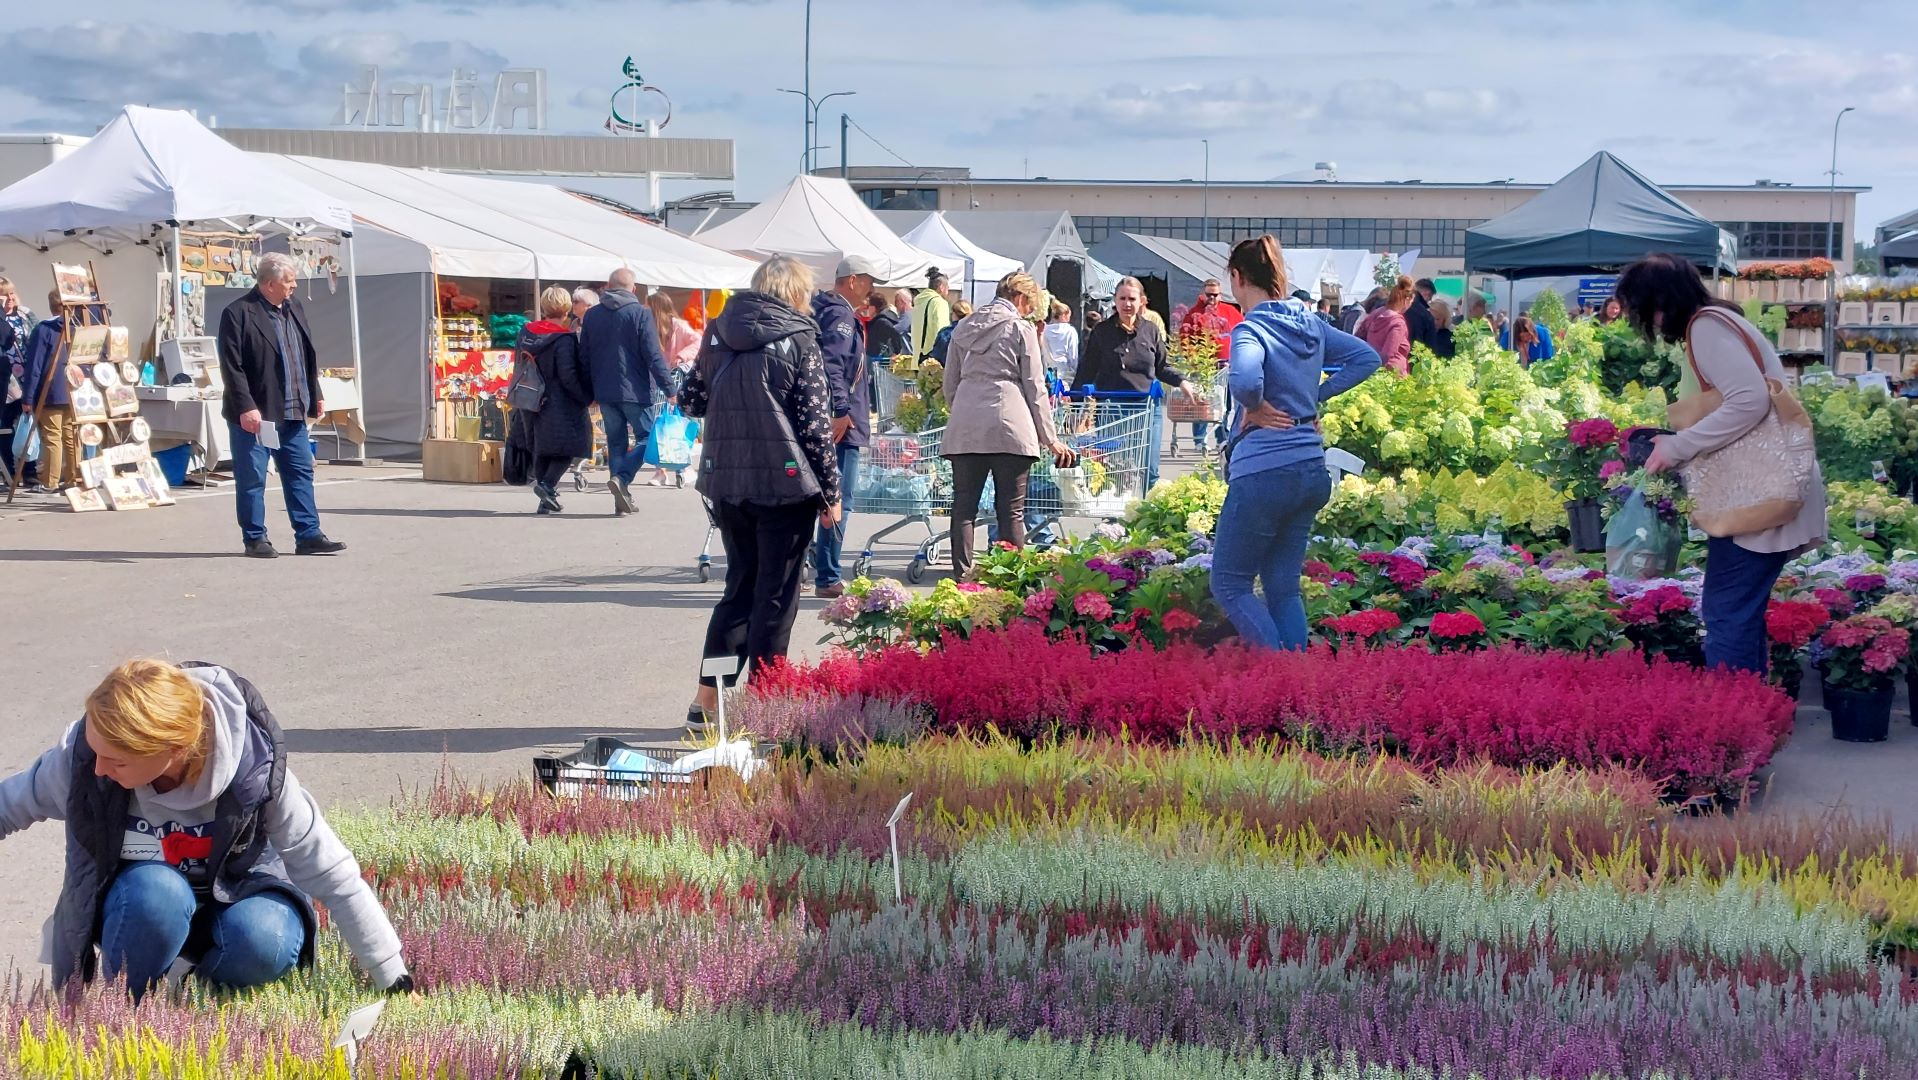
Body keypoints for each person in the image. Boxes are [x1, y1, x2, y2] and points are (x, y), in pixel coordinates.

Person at [0, 658, 412, 1000]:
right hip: (143, 911)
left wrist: (392, 976)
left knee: (265, 940)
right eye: (96, 752)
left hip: (239, 901)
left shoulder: (256, 772)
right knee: (157, 892)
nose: (99, 770)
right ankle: (128, 1003)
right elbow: (8, 805)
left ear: (173, 751)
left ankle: (194, 993)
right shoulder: (88, 759)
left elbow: (331, 872)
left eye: (117, 761)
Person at [1628, 253, 1828, 676]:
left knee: (1727, 613)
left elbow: (1749, 400)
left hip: (1754, 497)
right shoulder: (1718, 322)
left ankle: (1734, 725)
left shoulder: (1706, 328)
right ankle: (1753, 714)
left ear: (1659, 303)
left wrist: (1680, 445)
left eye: (1644, 309)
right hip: (1760, 492)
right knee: (1738, 612)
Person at [679, 255, 841, 731]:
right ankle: (766, 704)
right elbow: (814, 424)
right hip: (784, 484)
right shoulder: (800, 337)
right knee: (775, 597)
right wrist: (831, 492)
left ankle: (707, 701)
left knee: (739, 589)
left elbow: (690, 400)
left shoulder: (717, 332)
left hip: (727, 481)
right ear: (796, 293)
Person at [1212, 236, 1382, 650]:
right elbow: (1367, 358)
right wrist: (1313, 400)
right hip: (1309, 469)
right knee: (1282, 588)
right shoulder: (1311, 324)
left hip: (1263, 473)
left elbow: (1245, 380)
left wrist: (1253, 405)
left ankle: (1283, 677)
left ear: (1237, 278)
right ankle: (1302, 690)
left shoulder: (1250, 328)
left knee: (1230, 585)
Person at [942, 272, 1078, 582]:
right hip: (1010, 425)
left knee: (964, 507)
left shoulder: (964, 327)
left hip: (966, 425)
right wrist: (1050, 438)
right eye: (1030, 304)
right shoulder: (1021, 328)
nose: (1030, 311)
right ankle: (1011, 580)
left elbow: (950, 383)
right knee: (1011, 509)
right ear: (1020, 298)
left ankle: (962, 577)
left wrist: (963, 409)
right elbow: (1034, 386)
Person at [216, 254, 345, 558]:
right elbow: (231, 367)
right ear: (270, 283)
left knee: (300, 472)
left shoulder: (294, 308)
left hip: (294, 410)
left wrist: (315, 392)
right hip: (257, 413)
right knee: (253, 478)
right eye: (289, 281)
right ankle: (255, 538)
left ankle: (309, 534)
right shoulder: (238, 313)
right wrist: (246, 406)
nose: (294, 286)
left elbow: (306, 355)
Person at [580, 268, 675, 515]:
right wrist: (670, 388)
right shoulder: (641, 314)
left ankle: (620, 501)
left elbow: (584, 357)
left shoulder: (592, 315)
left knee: (616, 442)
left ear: (607, 287)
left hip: (604, 390)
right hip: (636, 390)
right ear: (633, 290)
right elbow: (653, 355)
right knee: (647, 437)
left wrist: (588, 391)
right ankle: (622, 479)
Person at [810, 256, 876, 599]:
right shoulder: (839, 314)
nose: (872, 288)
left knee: (817, 496)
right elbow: (832, 363)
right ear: (852, 280)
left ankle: (816, 567)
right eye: (868, 281)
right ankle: (828, 574)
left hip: (824, 416)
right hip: (841, 422)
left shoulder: (822, 309)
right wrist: (840, 409)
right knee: (838, 499)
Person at [509, 287, 594, 514]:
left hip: (529, 398)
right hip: (559, 402)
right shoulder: (563, 338)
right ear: (567, 310)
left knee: (539, 447)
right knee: (569, 446)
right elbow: (568, 375)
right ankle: (546, 486)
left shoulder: (525, 333)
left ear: (544, 307)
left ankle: (544, 497)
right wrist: (585, 397)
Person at [643, 292, 702, 488]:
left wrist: (682, 355)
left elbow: (698, 341)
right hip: (659, 378)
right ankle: (662, 471)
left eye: (648, 306)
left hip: (676, 378)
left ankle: (683, 467)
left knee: (677, 422)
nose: (644, 309)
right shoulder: (650, 328)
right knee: (659, 423)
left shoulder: (679, 326)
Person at [1176, 279, 1242, 455]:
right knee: (1202, 404)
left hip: (1225, 368)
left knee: (1223, 405)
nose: (1212, 298)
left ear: (1220, 294)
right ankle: (1200, 440)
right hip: (1203, 368)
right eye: (1209, 295)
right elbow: (1185, 339)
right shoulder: (1193, 314)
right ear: (1203, 294)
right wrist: (1194, 361)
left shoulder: (1230, 312)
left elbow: (1241, 333)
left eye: (1215, 295)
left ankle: (1222, 438)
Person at [16, 290, 71, 493]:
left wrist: (28, 396)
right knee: (70, 436)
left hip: (51, 391)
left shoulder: (44, 329)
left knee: (52, 437)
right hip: (74, 390)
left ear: (51, 305)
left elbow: (35, 366)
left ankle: (50, 481)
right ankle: (73, 478)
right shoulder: (77, 327)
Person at [0, 277, 37, 488]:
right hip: (7, 379)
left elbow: (38, 335)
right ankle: (9, 472)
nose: (9, 298)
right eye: (4, 294)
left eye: (11, 293)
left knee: (29, 425)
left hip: (26, 378)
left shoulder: (25, 314)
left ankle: (30, 470)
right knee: (6, 426)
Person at [1358, 276, 1414, 376]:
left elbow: (1358, 337)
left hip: (1371, 370)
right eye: (1411, 302)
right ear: (1407, 300)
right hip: (1393, 375)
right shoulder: (1398, 323)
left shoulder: (1376, 313)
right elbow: (1388, 354)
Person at [911, 269, 952, 359]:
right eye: (948, 288)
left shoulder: (919, 302)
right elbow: (942, 332)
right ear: (941, 287)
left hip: (916, 356)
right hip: (932, 360)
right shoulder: (939, 302)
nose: (948, 292)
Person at [1039, 300, 1080, 378]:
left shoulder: (1044, 329)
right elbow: (1073, 355)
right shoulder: (1070, 331)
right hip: (1065, 372)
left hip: (1047, 371)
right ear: (1064, 315)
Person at [864, 292, 906, 361]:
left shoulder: (882, 321)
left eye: (868, 306)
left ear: (874, 307)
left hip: (880, 360)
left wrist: (896, 352)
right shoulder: (884, 318)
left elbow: (896, 335)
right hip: (879, 359)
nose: (867, 309)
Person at [1404, 278, 1440, 352]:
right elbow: (1430, 344)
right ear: (1427, 293)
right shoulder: (1424, 314)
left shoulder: (1399, 305)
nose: (1429, 300)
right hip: (1415, 355)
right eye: (1430, 297)